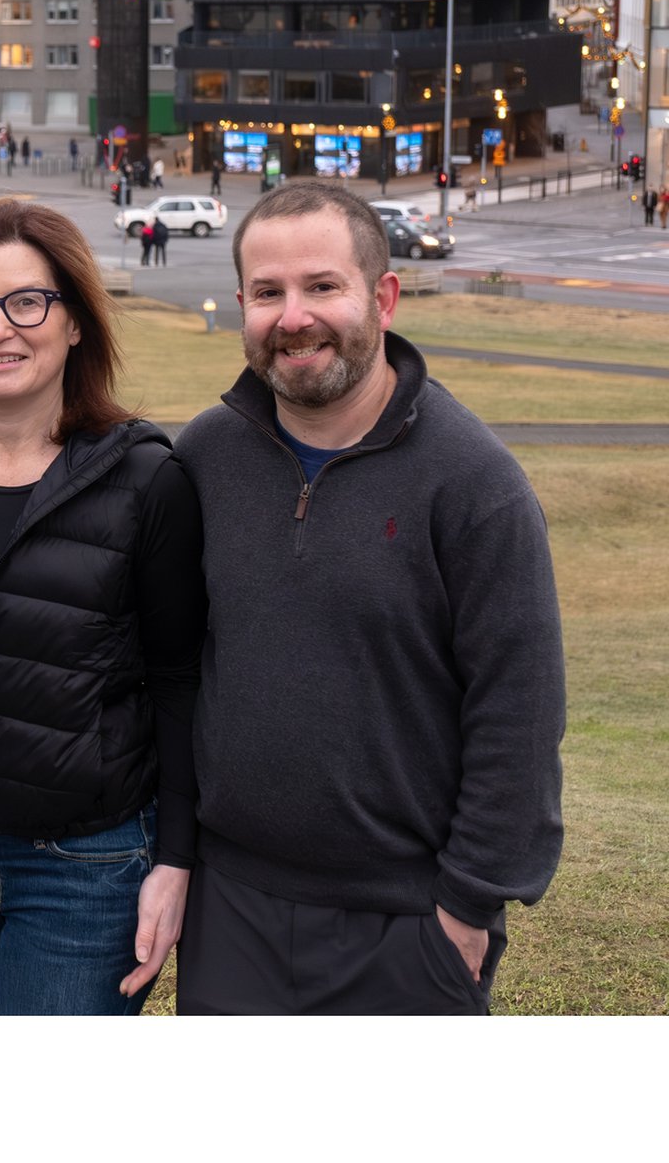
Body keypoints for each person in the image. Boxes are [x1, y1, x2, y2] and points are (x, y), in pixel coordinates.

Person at [172, 181, 565, 1014]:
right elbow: (174, 669)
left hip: (409, 921)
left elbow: (520, 710)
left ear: (383, 297)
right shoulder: (205, 459)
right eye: (268, 292)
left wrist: (467, 906)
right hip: (231, 903)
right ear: (241, 305)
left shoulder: (475, 483)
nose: (294, 317)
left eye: (322, 286)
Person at [0, 200, 204, 1015]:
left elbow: (180, 681)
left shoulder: (144, 479)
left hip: (83, 864)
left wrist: (176, 859)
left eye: (27, 302)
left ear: (76, 322)